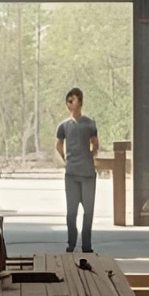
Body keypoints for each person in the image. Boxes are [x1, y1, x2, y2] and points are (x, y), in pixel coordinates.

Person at [55, 87, 100, 253]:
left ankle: (86, 245)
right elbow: (58, 143)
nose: (69, 103)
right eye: (68, 100)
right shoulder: (64, 126)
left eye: (72, 100)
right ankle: (71, 243)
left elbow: (95, 142)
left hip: (87, 174)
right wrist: (64, 159)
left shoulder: (89, 123)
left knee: (88, 211)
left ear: (80, 101)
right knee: (71, 212)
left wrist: (91, 153)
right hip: (71, 174)